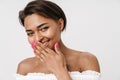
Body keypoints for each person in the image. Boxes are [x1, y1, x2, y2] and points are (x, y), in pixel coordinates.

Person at [15, 0, 100, 80]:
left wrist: (60, 70)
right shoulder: (24, 67)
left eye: (44, 28)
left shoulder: (85, 60)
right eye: (30, 33)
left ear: (60, 24)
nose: (37, 39)